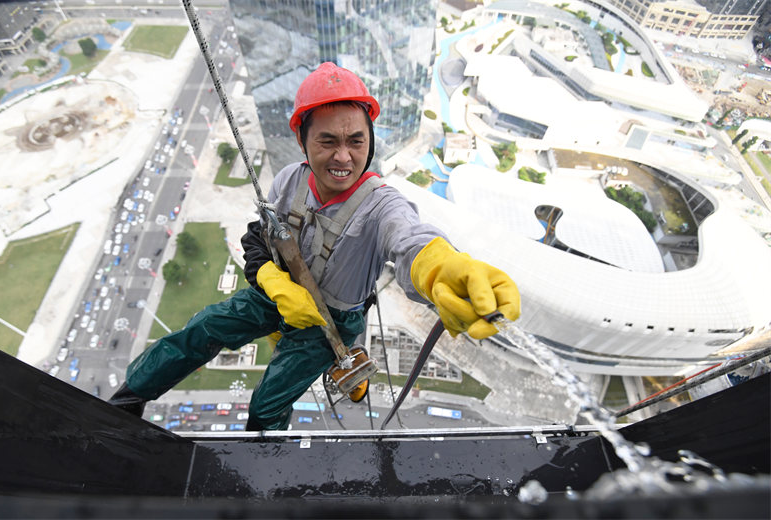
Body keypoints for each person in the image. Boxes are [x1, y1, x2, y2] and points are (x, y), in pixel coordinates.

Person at [108, 62, 521, 430]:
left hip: (332, 323)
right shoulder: (290, 179)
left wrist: (438, 267)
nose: (343, 157)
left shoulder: (380, 205)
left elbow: (410, 238)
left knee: (268, 401)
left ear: (370, 140)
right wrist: (272, 281)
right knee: (203, 329)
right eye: (327, 141)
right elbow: (258, 236)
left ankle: (262, 452)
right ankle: (127, 400)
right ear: (302, 140)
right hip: (278, 295)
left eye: (356, 141)